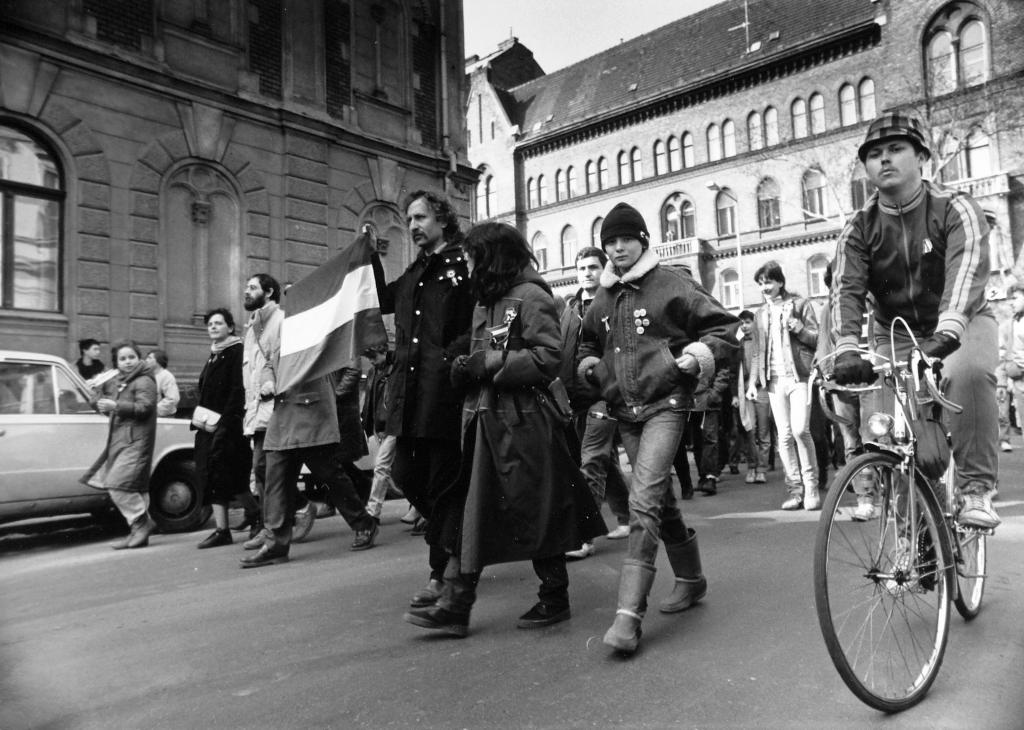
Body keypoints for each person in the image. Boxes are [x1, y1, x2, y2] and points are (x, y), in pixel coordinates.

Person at [402, 221, 605, 637]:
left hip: (524, 422)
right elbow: (480, 350)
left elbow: (548, 357)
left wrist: (491, 364)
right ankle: (457, 605)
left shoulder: (531, 296)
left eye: (474, 257)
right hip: (482, 420)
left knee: (535, 509)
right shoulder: (485, 300)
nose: (469, 264)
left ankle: (554, 596)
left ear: (492, 257)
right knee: (471, 512)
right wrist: (462, 365)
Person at [577, 202, 738, 655]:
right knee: (660, 501)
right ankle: (691, 577)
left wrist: (695, 357)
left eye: (625, 238)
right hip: (625, 410)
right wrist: (591, 365)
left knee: (643, 497)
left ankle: (627, 616)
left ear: (643, 240)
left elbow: (725, 327)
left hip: (667, 403)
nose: (617, 247)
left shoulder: (673, 283)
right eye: (610, 241)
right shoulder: (603, 297)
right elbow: (588, 340)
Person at [831, 111, 1000, 530]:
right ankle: (911, 526)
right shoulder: (858, 227)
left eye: (895, 149)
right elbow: (845, 290)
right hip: (894, 333)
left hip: (963, 321)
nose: (883, 159)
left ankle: (975, 490)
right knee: (889, 429)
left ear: (921, 156)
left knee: (970, 373)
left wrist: (949, 329)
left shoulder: (955, 207)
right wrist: (847, 347)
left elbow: (969, 269)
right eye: (873, 154)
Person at [373, 190, 475, 608]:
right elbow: (380, 300)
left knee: (443, 483)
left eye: (420, 218)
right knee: (405, 475)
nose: (413, 226)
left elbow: (475, 320)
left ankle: (442, 574)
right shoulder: (416, 271)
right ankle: (456, 542)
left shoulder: (461, 267)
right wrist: (368, 260)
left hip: (444, 392)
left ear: (443, 220)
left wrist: (455, 358)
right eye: (409, 219)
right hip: (410, 395)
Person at [558, 246, 633, 560]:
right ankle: (629, 517)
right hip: (574, 397)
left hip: (603, 396)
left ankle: (584, 536)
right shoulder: (570, 307)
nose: (586, 273)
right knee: (603, 461)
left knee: (590, 462)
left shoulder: (614, 302)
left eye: (592, 267)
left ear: (604, 269)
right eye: (581, 268)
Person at [239, 274, 314, 545]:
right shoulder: (252, 328)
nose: (246, 292)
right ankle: (273, 525)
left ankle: (297, 510)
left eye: (252, 287)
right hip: (256, 409)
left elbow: (285, 362)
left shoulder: (281, 321)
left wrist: (274, 387)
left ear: (269, 292)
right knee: (261, 470)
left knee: (266, 468)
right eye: (246, 288)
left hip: (276, 406)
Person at [747, 261, 820, 511]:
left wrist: (800, 330)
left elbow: (817, 338)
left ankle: (811, 487)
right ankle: (795, 491)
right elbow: (757, 352)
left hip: (798, 376)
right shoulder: (760, 314)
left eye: (768, 282)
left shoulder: (800, 305)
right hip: (774, 381)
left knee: (800, 430)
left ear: (780, 282)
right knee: (785, 437)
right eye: (761, 284)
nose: (764, 288)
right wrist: (752, 383)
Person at [80, 339, 158, 549]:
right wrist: (95, 395)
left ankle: (142, 523)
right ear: (116, 362)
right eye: (122, 359)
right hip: (124, 440)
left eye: (131, 357)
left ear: (139, 358)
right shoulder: (122, 380)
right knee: (135, 487)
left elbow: (145, 408)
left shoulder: (143, 380)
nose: (128, 362)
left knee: (117, 484)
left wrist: (116, 405)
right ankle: (139, 531)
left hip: (135, 441)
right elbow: (108, 407)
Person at [193, 309, 257, 549]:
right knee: (219, 474)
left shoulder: (236, 352)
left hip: (229, 425)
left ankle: (224, 530)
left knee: (225, 474)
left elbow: (237, 390)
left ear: (230, 327)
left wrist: (225, 424)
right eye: (210, 323)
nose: (213, 327)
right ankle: (253, 513)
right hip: (209, 425)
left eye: (218, 323)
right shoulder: (214, 354)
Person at [360, 345, 407, 523]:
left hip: (391, 424)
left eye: (373, 356)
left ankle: (373, 511)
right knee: (392, 467)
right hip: (386, 425)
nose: (371, 361)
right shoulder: (376, 371)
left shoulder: (391, 369)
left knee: (381, 466)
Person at [736, 310, 770, 484]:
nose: (744, 326)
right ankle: (751, 466)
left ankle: (761, 469)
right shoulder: (739, 344)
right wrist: (736, 394)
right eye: (742, 323)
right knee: (750, 431)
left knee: (764, 433)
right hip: (745, 393)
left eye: (748, 322)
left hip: (762, 389)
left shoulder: (762, 342)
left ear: (754, 323)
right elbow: (736, 371)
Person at [998, 285, 1024, 452]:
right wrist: (1004, 377)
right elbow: (1001, 352)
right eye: (1009, 300)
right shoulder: (1007, 325)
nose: (1011, 303)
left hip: (1019, 372)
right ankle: (1004, 439)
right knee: (1003, 409)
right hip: (1010, 371)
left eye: (1015, 299)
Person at [145, 349, 180, 417]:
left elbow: (172, 399)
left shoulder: (166, 376)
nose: (146, 360)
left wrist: (153, 410)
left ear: (158, 360)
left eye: (149, 358)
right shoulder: (149, 375)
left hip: (164, 418)